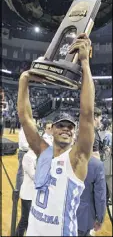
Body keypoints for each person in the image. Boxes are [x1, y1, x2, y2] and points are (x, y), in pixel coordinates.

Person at [17, 33, 95, 236]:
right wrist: (24, 79)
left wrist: (85, 63)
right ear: (51, 129)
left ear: (75, 132)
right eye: (61, 125)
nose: (67, 129)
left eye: (70, 127)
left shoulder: (77, 159)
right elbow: (25, 118)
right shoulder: (43, 152)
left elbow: (87, 114)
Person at [77, 137, 106, 236]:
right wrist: (100, 218)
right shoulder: (97, 165)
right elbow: (100, 196)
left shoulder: (63, 160)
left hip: (61, 215)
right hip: (84, 216)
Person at [15, 148, 37, 236]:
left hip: (33, 194)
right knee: (25, 219)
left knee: (29, 220)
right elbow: (33, 175)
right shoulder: (28, 157)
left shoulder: (37, 156)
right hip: (27, 194)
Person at [15, 126, 29, 191]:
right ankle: (18, 189)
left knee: (27, 172)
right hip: (23, 153)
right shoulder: (23, 131)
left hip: (28, 152)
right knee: (21, 173)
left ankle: (24, 189)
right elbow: (23, 145)